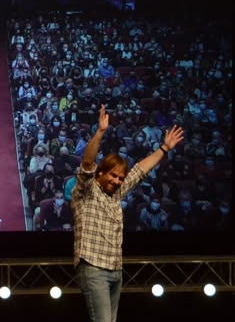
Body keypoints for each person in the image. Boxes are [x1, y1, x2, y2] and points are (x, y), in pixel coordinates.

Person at [73, 105, 183, 322]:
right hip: (94, 267)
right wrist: (100, 132)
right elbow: (87, 163)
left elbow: (140, 170)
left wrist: (164, 148)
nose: (117, 181)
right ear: (101, 173)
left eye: (120, 179)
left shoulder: (117, 193)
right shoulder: (85, 191)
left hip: (115, 269)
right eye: (113, 176)